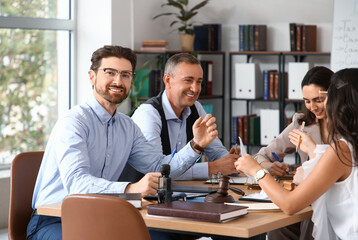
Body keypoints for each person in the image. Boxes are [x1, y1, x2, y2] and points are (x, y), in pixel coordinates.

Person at [26, 45, 219, 240]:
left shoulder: (128, 126)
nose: (118, 81)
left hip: (103, 215)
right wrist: (130, 188)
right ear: (92, 76)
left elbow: (158, 167)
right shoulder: (74, 122)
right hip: (54, 220)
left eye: (126, 75)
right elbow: (77, 184)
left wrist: (196, 145)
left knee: (167, 237)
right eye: (110, 73)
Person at [235, 68, 358, 239]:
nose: (315, 106)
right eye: (307, 101)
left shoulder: (341, 149)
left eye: (323, 99)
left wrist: (256, 171)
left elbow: (290, 205)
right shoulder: (349, 143)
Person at [130, 53, 239, 181]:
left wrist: (232, 162)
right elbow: (158, 171)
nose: (195, 88)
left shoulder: (195, 108)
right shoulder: (148, 114)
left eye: (199, 82)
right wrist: (212, 168)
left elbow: (216, 151)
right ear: (167, 80)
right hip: (143, 198)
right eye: (188, 80)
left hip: (179, 193)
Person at [254, 66, 333, 240]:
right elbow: (261, 156)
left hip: (328, 199)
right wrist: (269, 166)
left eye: (318, 100)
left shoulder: (347, 127)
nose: (312, 107)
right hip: (302, 198)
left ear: (333, 95)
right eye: (307, 101)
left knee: (309, 226)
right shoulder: (301, 123)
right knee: (278, 228)